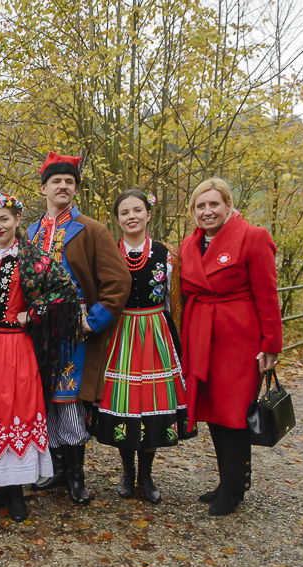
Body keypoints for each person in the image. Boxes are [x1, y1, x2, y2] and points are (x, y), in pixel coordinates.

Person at [0, 192, 81, 521]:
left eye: (4, 219)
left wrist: (34, 312)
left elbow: (65, 290)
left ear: (17, 220)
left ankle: (16, 492)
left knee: (14, 410)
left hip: (15, 347)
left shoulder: (32, 257)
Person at [26, 152, 131, 505]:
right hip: (37, 332)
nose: (63, 186)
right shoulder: (30, 231)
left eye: (69, 182)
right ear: (43, 187)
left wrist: (92, 320)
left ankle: (76, 476)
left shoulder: (91, 229)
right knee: (46, 401)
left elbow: (118, 282)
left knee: (68, 401)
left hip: (74, 333)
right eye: (56, 181)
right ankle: (55, 469)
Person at [179, 177, 282, 516]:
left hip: (238, 340)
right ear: (193, 211)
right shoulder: (189, 244)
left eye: (213, 204)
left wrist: (271, 345)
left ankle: (234, 488)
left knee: (234, 414)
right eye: (200, 206)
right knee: (213, 413)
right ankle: (228, 480)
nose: (207, 211)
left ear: (228, 205)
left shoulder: (253, 238)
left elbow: (267, 296)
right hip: (201, 337)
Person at [91, 190, 193, 503]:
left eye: (137, 210)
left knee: (151, 405)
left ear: (149, 214)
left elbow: (174, 301)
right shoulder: (108, 252)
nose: (131, 216)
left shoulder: (167, 253)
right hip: (120, 333)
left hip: (154, 333)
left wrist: (176, 340)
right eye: (125, 212)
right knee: (125, 404)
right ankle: (126, 472)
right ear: (117, 219)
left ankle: (146, 475)